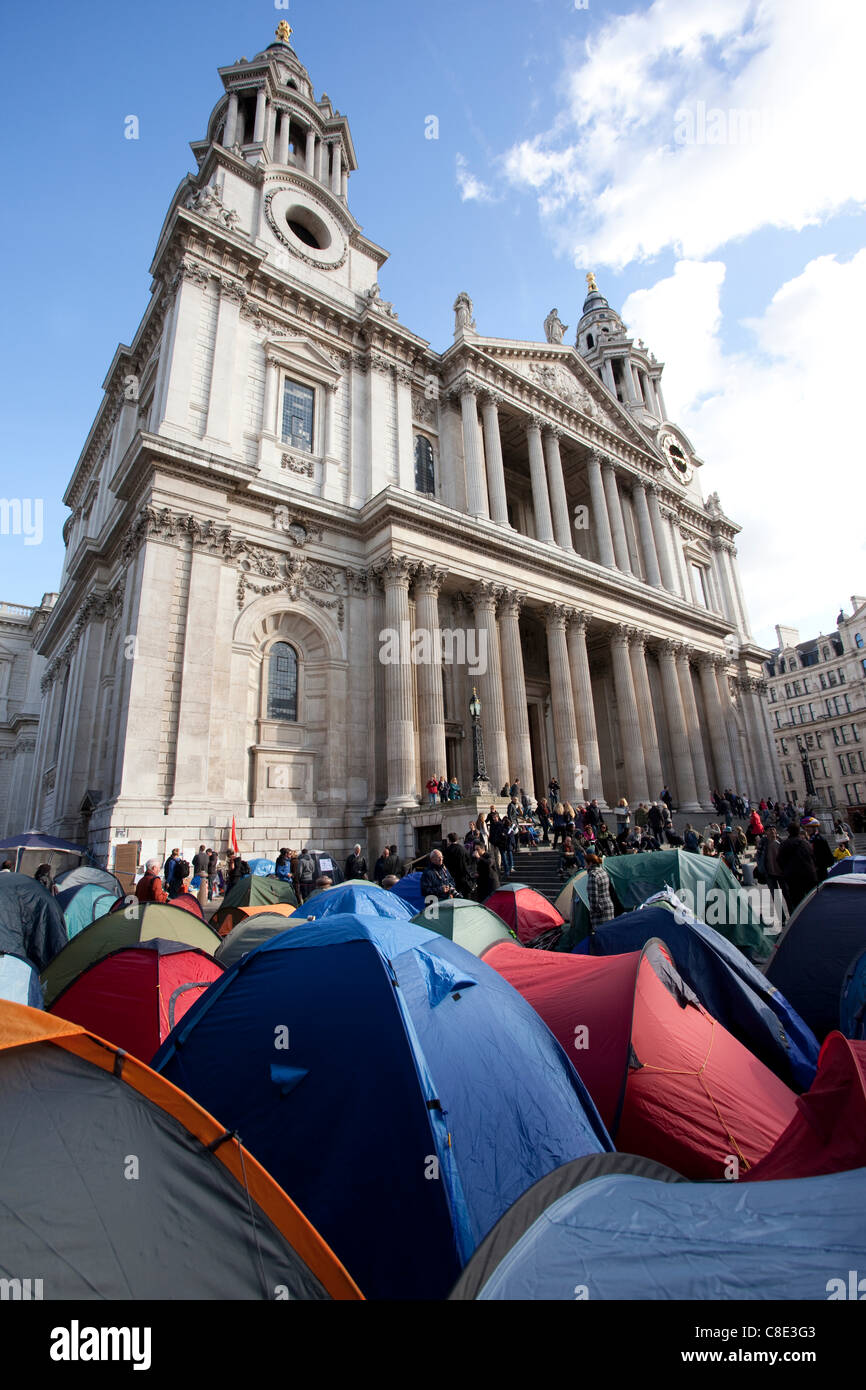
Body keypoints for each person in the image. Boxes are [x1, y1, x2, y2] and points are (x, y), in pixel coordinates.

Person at [777, 822, 817, 913]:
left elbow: (779, 860)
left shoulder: (785, 844)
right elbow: (813, 858)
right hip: (809, 875)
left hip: (793, 877)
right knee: (811, 898)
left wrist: (786, 870)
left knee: (797, 902)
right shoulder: (806, 843)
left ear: (788, 832)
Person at [585, 853, 615, 931]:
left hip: (600, 912)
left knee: (600, 935)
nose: (585, 865)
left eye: (586, 863)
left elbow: (594, 898)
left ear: (590, 863)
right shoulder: (603, 872)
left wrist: (594, 912)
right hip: (609, 906)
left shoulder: (593, 875)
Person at [803, 817, 834, 883]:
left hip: (820, 869)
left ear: (814, 828)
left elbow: (828, 856)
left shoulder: (820, 839)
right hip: (812, 870)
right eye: (806, 827)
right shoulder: (809, 840)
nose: (807, 829)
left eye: (809, 827)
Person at [444, 832, 474, 897]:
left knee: (455, 895)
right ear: (457, 839)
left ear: (449, 840)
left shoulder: (447, 850)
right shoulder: (462, 849)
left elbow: (445, 863)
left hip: (452, 876)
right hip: (463, 875)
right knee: (466, 895)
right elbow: (469, 860)